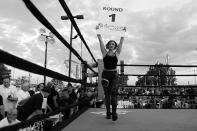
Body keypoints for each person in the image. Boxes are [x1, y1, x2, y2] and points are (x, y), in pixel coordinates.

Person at [97, 28, 124, 121]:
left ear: (115, 46)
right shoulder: (104, 53)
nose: (111, 45)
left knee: (114, 94)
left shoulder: (117, 53)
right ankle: (108, 113)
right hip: (105, 75)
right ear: (108, 46)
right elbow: (101, 44)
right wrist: (99, 35)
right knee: (107, 94)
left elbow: (121, 43)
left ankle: (114, 113)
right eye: (110, 44)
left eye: (113, 44)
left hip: (114, 75)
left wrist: (122, 35)